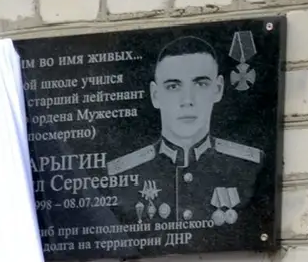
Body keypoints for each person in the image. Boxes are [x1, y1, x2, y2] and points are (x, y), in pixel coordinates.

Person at [104, 36, 262, 228]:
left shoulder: (249, 167)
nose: (187, 100)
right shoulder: (120, 175)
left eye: (201, 84)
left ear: (218, 89)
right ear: (155, 95)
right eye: (173, 86)